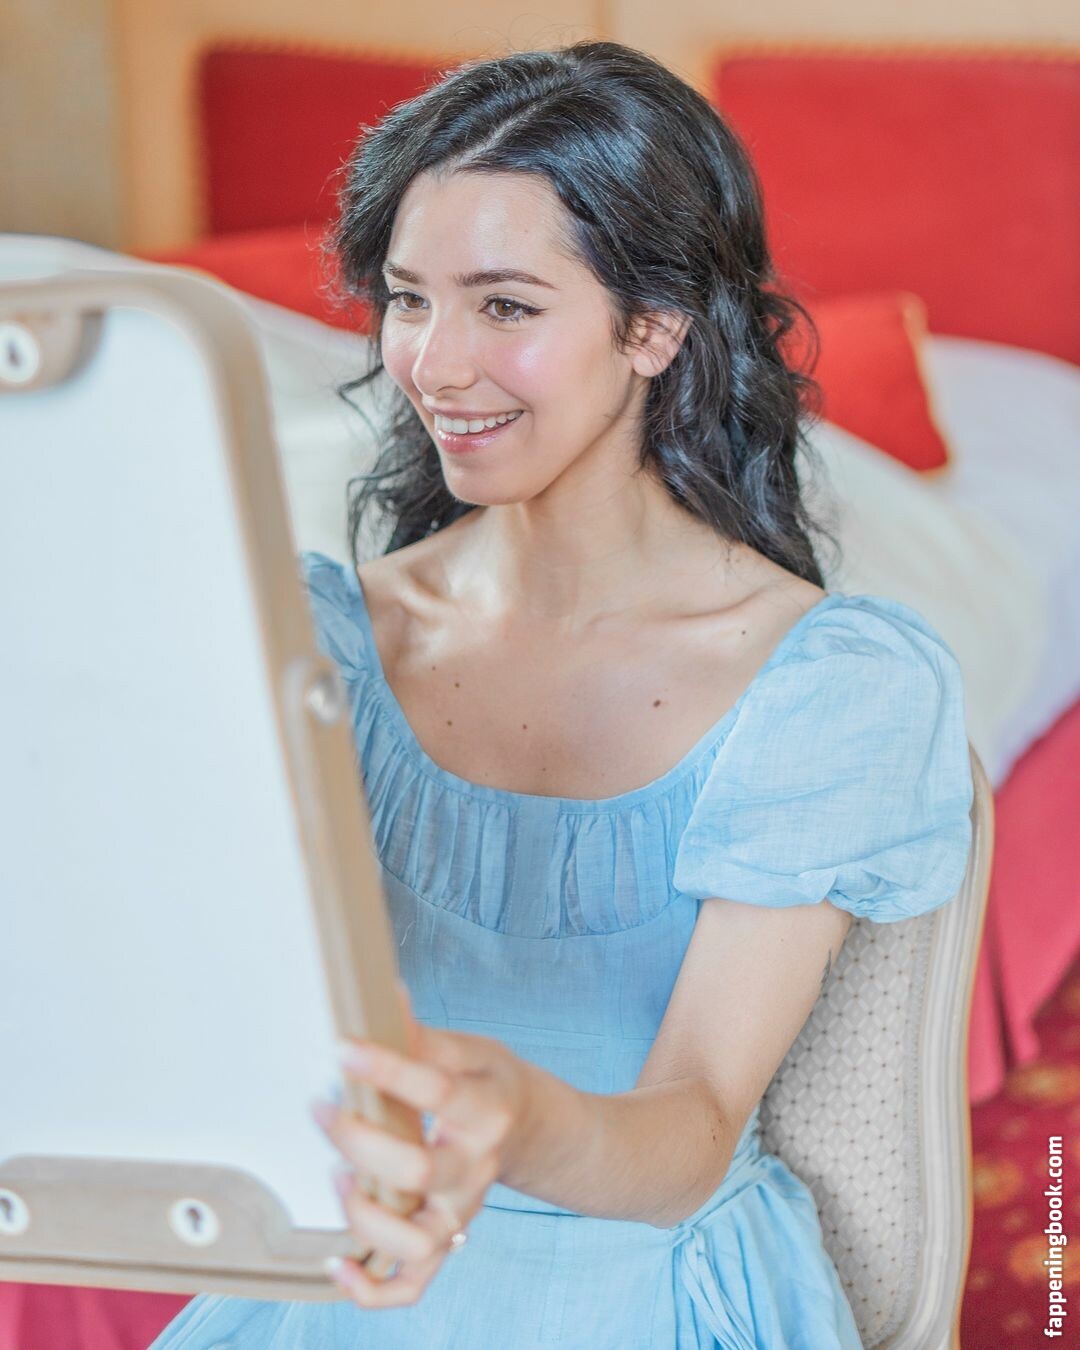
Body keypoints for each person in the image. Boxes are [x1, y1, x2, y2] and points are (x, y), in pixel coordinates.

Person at [150, 39, 974, 1349]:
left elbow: (693, 1133)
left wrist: (521, 1121)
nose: (434, 364)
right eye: (408, 300)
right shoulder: (316, 640)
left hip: (645, 1293)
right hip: (340, 1286)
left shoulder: (828, 687)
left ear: (654, 326)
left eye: (505, 306)